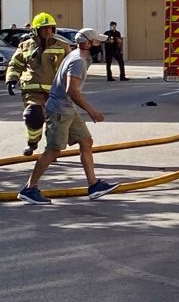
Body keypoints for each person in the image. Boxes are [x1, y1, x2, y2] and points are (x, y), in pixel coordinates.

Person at [18, 29, 119, 205]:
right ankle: (29, 188)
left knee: (86, 141)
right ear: (87, 44)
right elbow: (71, 90)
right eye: (96, 42)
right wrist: (91, 110)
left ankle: (94, 185)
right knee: (53, 150)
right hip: (59, 110)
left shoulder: (77, 55)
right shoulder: (78, 61)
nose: (99, 45)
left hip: (67, 109)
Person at [4, 12, 72, 156]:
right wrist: (11, 79)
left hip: (56, 92)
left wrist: (71, 86)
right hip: (32, 90)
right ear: (36, 30)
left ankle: (50, 151)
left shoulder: (63, 46)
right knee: (33, 116)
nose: (47, 31)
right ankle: (32, 142)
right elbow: (15, 64)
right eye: (43, 28)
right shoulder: (25, 46)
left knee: (53, 123)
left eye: (50, 28)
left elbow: (70, 67)